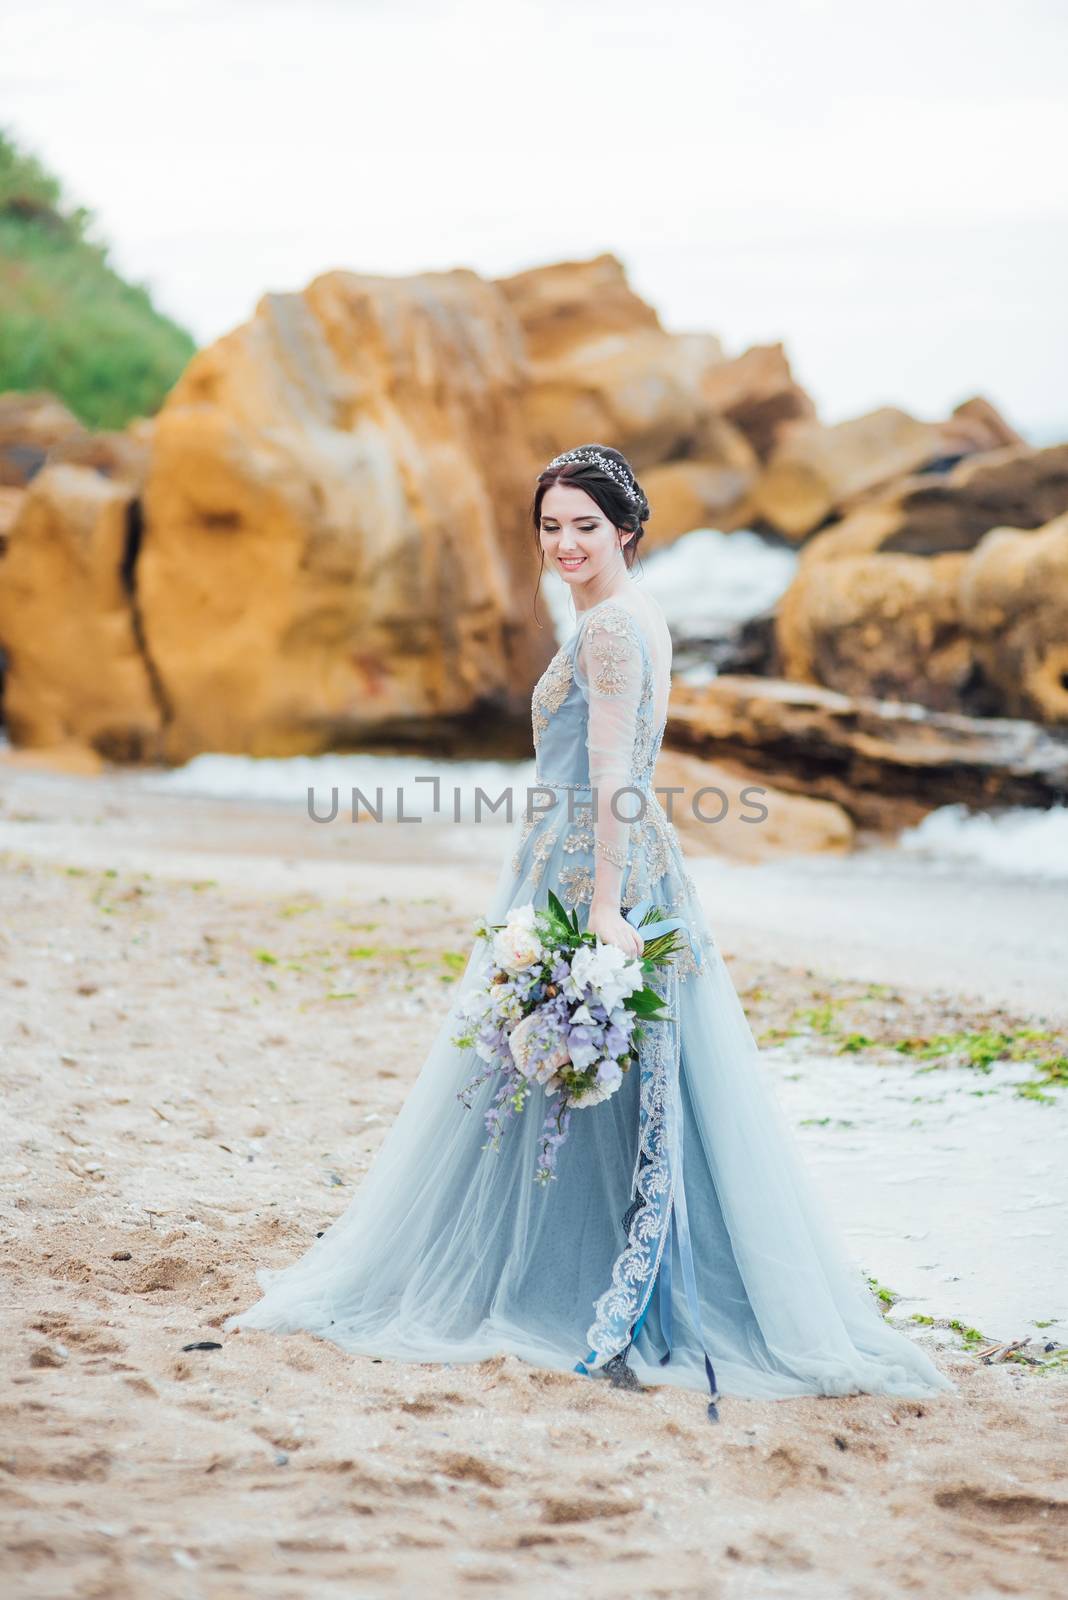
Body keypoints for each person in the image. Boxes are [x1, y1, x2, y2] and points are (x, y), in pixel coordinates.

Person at [223, 443, 954, 1415]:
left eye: (586, 527)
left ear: (628, 534)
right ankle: (603, 1270)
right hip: (617, 859)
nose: (565, 544)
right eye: (550, 526)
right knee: (601, 1081)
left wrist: (601, 909)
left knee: (570, 1071)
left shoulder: (610, 629)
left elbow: (612, 777)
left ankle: (575, 1288)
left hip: (587, 870)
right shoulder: (632, 610)